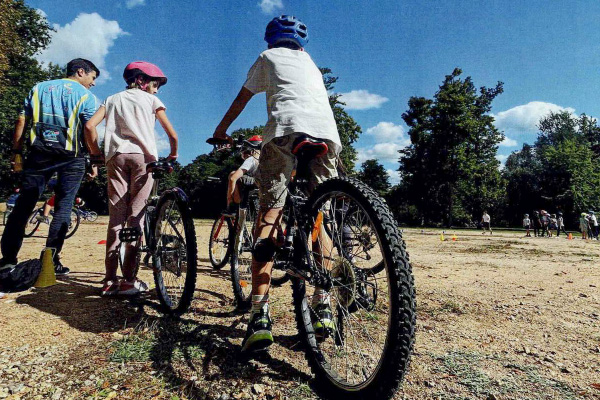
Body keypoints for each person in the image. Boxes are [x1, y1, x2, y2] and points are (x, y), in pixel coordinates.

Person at [211, 15, 341, 353]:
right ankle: (323, 303)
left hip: (285, 132)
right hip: (327, 134)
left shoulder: (268, 58)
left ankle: (260, 314)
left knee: (269, 216)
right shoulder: (310, 63)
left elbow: (242, 98)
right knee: (318, 219)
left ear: (271, 39)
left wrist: (221, 131)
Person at [84, 61, 178, 296]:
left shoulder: (112, 99)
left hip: (115, 156)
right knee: (135, 217)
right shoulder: (151, 101)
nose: (157, 90)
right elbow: (172, 134)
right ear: (143, 81)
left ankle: (109, 280)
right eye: (155, 84)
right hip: (144, 158)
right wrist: (173, 154)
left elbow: (89, 126)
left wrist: (96, 153)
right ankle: (129, 280)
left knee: (116, 217)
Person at [0, 58, 99, 275]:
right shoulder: (86, 97)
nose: (93, 83)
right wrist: (94, 158)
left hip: (39, 154)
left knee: (23, 205)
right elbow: (88, 130)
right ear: (81, 72)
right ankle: (50, 262)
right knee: (63, 208)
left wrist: (16, 153)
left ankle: (8, 259)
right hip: (72, 157)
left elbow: (21, 121)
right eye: (92, 78)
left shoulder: (38, 89)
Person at [226, 135, 262, 214]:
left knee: (232, 174)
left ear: (252, 150)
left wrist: (229, 199)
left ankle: (234, 205)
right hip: (267, 185)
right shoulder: (267, 159)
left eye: (246, 150)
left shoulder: (251, 159)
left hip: (256, 182)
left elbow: (233, 178)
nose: (244, 154)